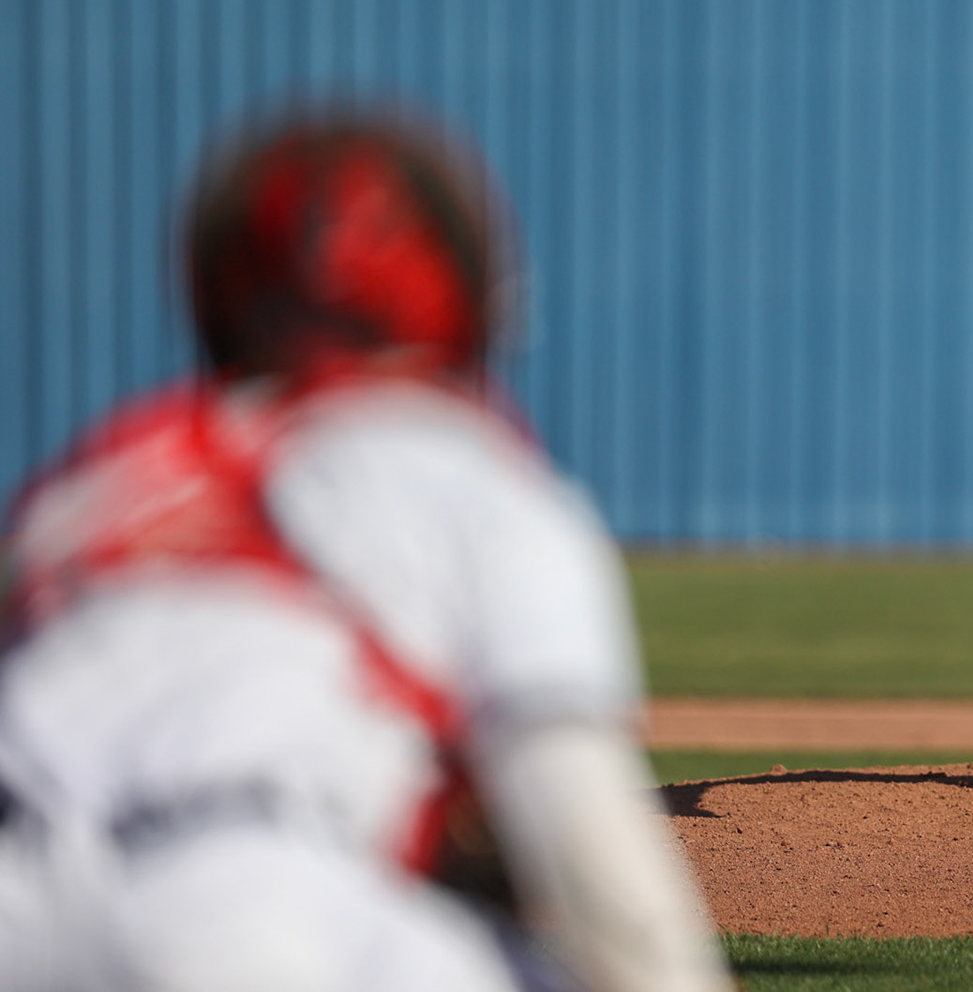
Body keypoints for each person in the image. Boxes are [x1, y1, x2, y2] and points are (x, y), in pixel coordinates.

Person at [0, 111, 731, 992]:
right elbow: (597, 858)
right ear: (463, 289)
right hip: (244, 899)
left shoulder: (92, 478)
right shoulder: (471, 473)